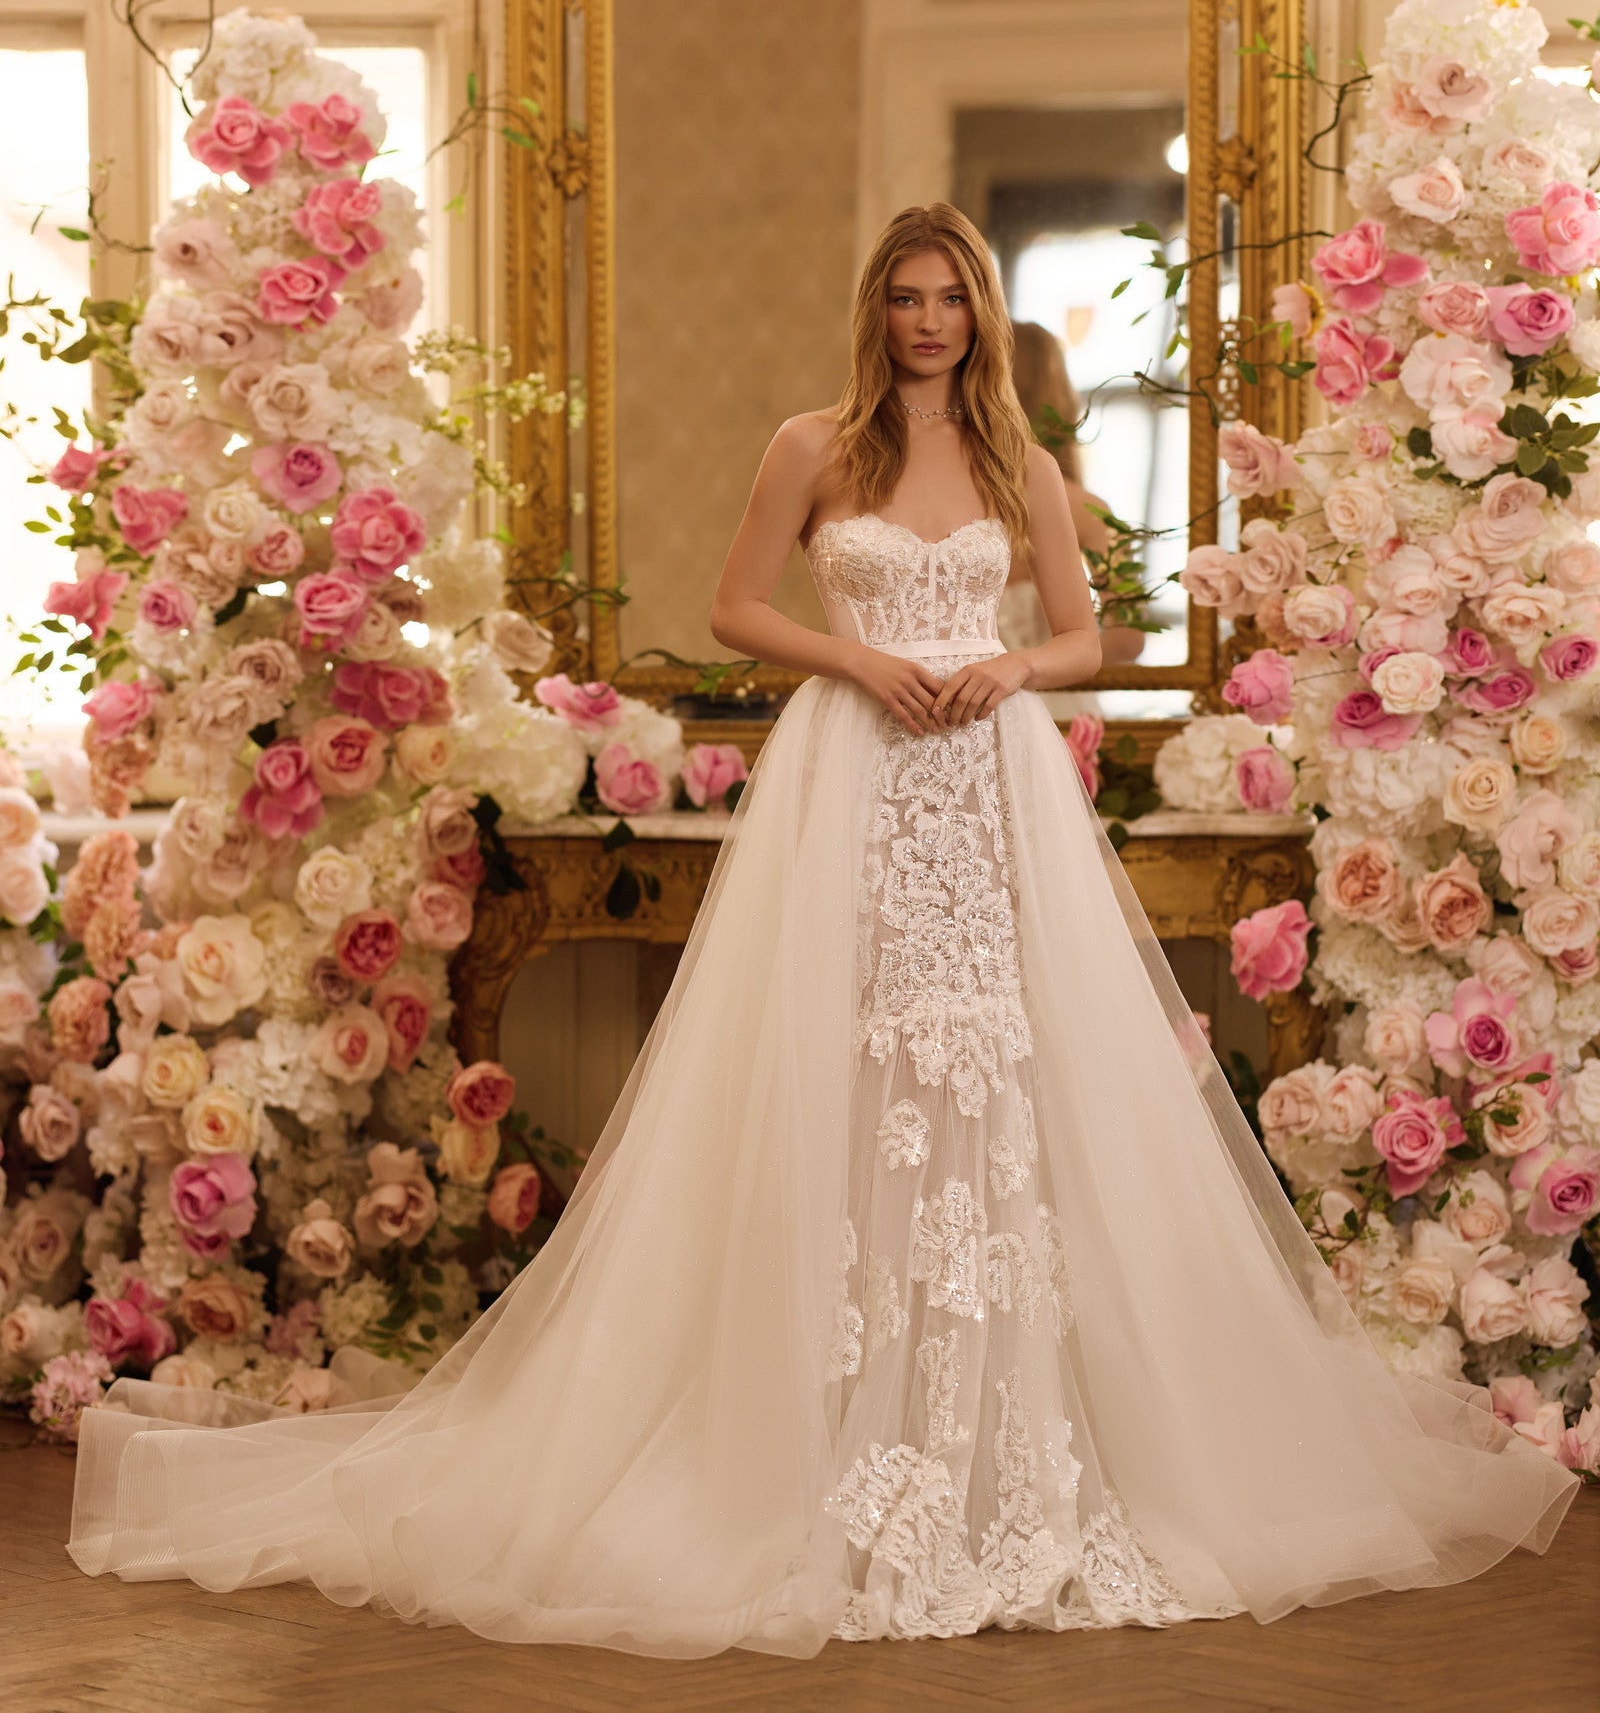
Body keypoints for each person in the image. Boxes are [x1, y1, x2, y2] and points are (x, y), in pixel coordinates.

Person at [68, 202, 1576, 1656]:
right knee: (843, 1074)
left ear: (980, 310)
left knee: (1004, 1081)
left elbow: (1090, 627)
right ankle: (822, 1439)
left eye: (952, 296)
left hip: (984, 791)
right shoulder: (813, 443)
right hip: (853, 778)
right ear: (879, 310)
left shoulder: (1021, 454)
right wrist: (858, 657)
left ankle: (1007, 1449)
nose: (930, 320)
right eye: (907, 297)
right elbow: (734, 606)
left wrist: (1005, 667)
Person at [1003, 317, 1147, 676]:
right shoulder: (1088, 510)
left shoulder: (941, 490)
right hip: (1058, 705)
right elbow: (1129, 638)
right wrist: (1059, 657)